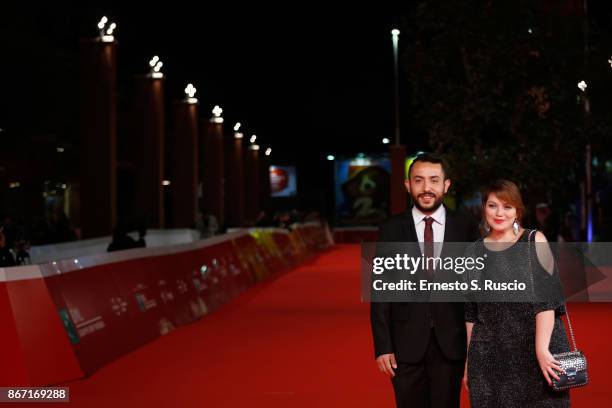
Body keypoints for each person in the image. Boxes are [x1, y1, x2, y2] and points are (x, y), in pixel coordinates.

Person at [370, 153, 478, 408]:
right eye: (418, 180)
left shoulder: (465, 227)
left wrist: (477, 348)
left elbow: (475, 290)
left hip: (451, 344)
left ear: (446, 185)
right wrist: (382, 345)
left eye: (434, 180)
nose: (426, 188)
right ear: (408, 185)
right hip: (404, 346)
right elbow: (381, 291)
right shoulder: (390, 229)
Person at [464, 180, 570, 407]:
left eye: (507, 206)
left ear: (517, 211)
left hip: (536, 352)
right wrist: (468, 362)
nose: (499, 213)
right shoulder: (473, 252)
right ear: (484, 208)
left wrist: (541, 350)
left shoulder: (534, 241)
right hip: (488, 360)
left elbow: (547, 302)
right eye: (493, 206)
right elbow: (471, 313)